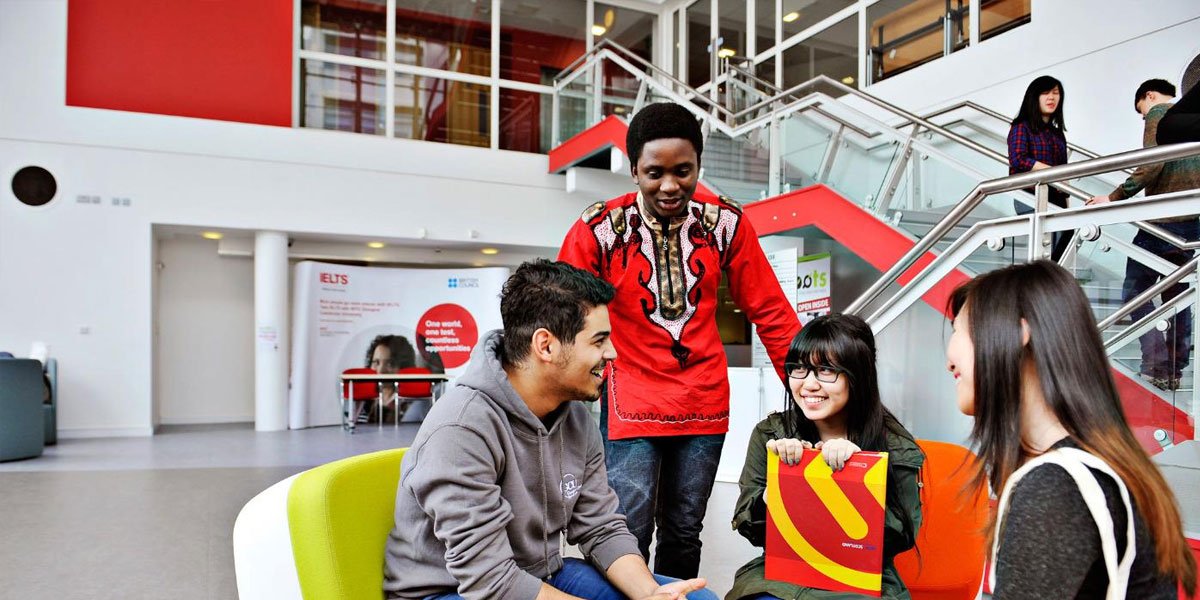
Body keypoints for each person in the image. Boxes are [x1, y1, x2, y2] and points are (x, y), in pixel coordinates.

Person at [558, 101, 801, 578]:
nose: (670, 185)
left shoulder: (726, 225)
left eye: (683, 171)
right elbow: (561, 313)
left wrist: (809, 385)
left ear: (698, 166)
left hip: (703, 401)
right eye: (655, 173)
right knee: (625, 530)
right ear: (634, 170)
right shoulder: (598, 228)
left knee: (685, 532)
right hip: (632, 402)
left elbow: (771, 313)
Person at [382, 259, 718, 600]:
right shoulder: (461, 428)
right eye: (599, 341)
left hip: (538, 572)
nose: (612, 353)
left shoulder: (576, 418)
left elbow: (601, 527)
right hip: (451, 590)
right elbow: (490, 581)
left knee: (696, 599)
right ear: (546, 345)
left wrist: (651, 594)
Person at [945, 260, 1196, 599]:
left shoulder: (1057, 486)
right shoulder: (1092, 468)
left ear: (1017, 334)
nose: (949, 360)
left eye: (958, 330)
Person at [726, 314, 924, 600]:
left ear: (858, 375)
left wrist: (857, 473)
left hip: (857, 583)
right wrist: (779, 489)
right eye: (799, 368)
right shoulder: (772, 434)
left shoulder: (896, 445)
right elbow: (751, 530)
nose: (808, 384)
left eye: (826, 370)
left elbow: (900, 538)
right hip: (782, 578)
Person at [1087, 78, 1200, 391]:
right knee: (1177, 296)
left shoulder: (1160, 114)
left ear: (1149, 96)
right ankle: (1174, 370)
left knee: (1135, 293)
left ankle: (1155, 364)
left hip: (1163, 222)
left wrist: (1113, 198)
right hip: (1192, 222)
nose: (1144, 118)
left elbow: (1151, 164)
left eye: (1141, 112)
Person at [1007, 75, 1072, 261]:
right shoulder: (1022, 126)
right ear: (1034, 97)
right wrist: (1052, 172)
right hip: (1031, 195)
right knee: (1043, 247)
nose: (1051, 97)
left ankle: (1050, 276)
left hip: (1056, 197)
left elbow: (1063, 169)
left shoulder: (1057, 134)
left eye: (1056, 93)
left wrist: (1066, 201)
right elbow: (1018, 159)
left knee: (1066, 238)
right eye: (1045, 93)